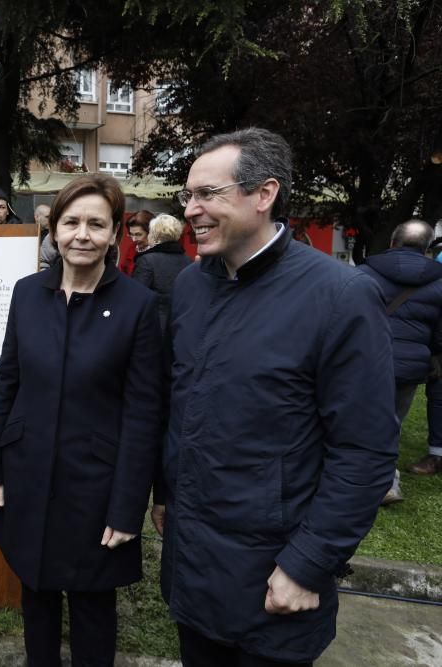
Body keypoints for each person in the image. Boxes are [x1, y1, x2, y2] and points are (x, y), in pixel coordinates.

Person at [155, 127, 396, 666]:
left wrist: (308, 564)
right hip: (194, 569)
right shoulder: (192, 287)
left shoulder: (340, 297)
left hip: (275, 579)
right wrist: (165, 493)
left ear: (263, 195)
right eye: (187, 196)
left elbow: (365, 452)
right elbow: (183, 404)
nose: (191, 210)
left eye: (207, 194)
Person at [0, 173, 164, 666]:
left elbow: (144, 412)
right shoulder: (26, 294)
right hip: (28, 473)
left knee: (91, 607)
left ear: (115, 233)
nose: (82, 234)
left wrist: (128, 507)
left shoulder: (140, 308)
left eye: (96, 224)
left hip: (96, 487)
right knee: (35, 597)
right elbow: (8, 382)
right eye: (71, 222)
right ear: (54, 231)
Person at [358, 219, 442, 502]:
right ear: (428, 248)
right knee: (392, 421)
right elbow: (440, 336)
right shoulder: (440, 280)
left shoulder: (365, 272)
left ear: (393, 241)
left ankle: (348, 477)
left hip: (363, 360)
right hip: (409, 366)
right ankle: (386, 482)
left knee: (354, 419)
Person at [132, 213, 192, 332]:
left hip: (154, 327)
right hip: (183, 325)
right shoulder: (188, 261)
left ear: (153, 234)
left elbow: (136, 297)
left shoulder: (146, 260)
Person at [117, 210, 153, 275]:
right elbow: (123, 271)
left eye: (138, 234)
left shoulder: (160, 253)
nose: (134, 239)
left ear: (151, 232)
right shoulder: (133, 248)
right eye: (131, 234)